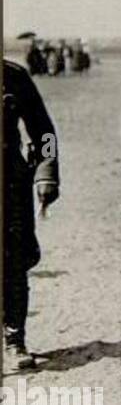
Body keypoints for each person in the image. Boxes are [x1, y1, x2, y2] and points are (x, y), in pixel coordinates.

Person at [3, 58, 59, 369]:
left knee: (13, 263)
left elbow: (44, 133)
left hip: (8, 183)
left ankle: (14, 340)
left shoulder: (14, 76)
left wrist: (46, 174)